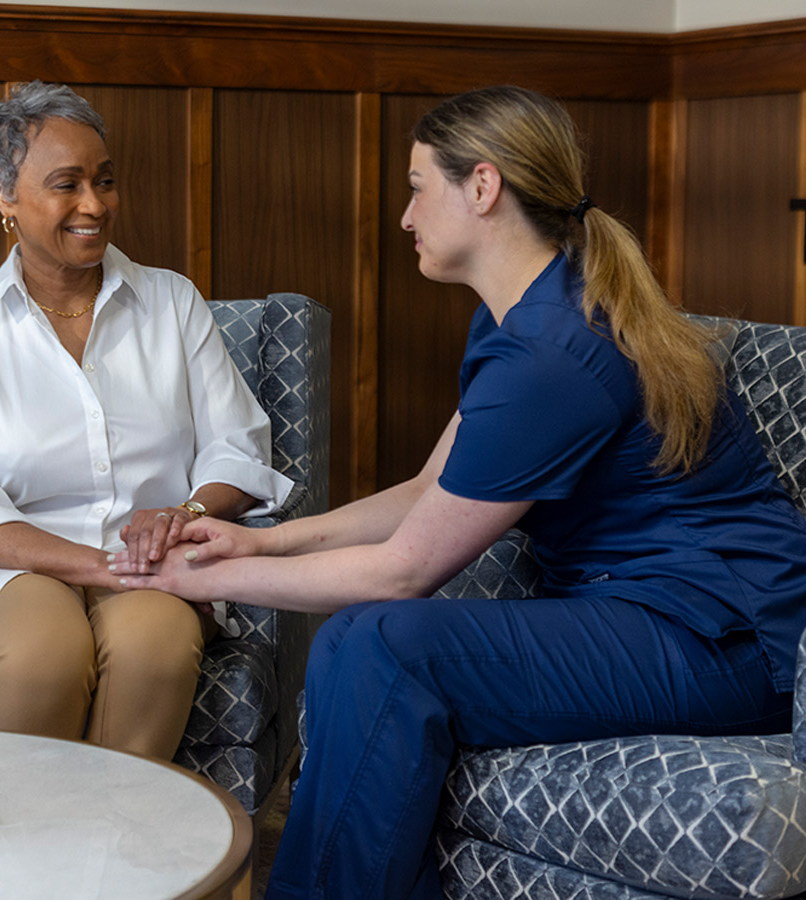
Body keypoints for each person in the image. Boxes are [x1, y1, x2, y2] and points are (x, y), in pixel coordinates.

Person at [110, 85, 806, 896]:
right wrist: (258, 540)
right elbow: (427, 491)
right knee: (365, 651)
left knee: (378, 646)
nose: (406, 217)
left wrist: (200, 575)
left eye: (417, 187)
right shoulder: (519, 318)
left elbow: (404, 570)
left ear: (482, 187)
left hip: (728, 642)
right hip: (653, 614)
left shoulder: (553, 354)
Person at [0, 80, 292, 762]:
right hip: (10, 576)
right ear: (2, 194)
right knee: (45, 649)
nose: (94, 205)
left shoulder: (172, 303)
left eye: (104, 181)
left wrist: (184, 512)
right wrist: (99, 566)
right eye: (67, 185)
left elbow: (238, 450)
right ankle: (15, 834)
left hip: (153, 572)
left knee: (156, 644)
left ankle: (120, 833)